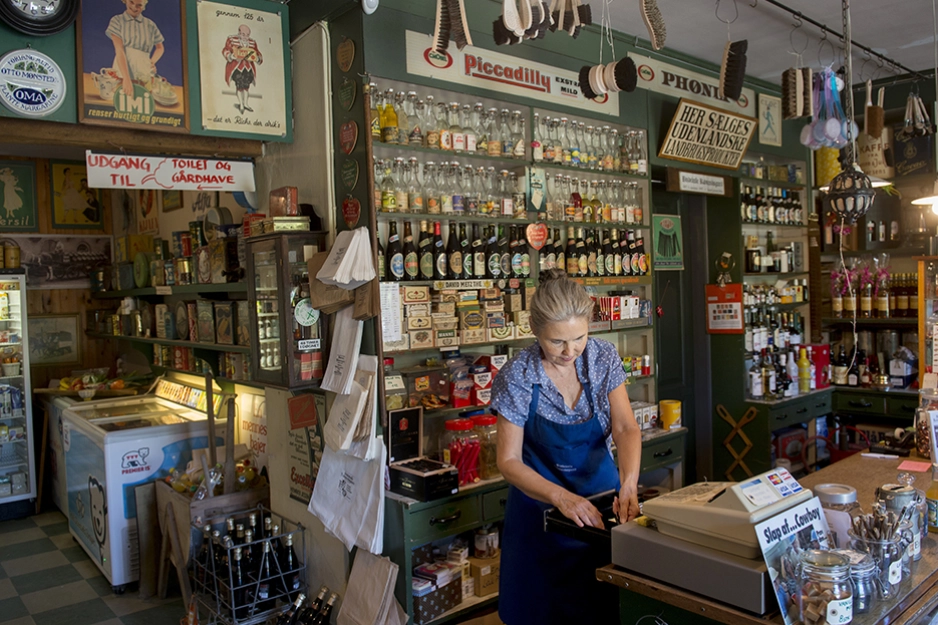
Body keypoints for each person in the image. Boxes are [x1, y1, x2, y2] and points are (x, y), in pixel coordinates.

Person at [490, 269, 642, 625]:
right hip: (539, 520)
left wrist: (630, 482)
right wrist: (560, 497)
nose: (569, 351)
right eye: (556, 341)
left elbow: (625, 427)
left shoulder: (602, 357)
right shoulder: (517, 375)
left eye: (579, 338)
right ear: (535, 330)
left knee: (603, 609)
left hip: (603, 506)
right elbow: (508, 461)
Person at [106, 0, 165, 99]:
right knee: (121, 98)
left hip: (143, 70)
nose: (134, 7)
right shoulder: (117, 21)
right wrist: (126, 78)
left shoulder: (150, 25)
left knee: (143, 99)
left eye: (139, 5)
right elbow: (119, 50)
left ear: (144, 6)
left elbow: (160, 48)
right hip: (123, 67)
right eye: (131, 2)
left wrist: (152, 62)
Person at [223, 24, 263, 114]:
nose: (246, 37)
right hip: (237, 68)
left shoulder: (252, 42)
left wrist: (257, 58)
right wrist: (231, 56)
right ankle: (241, 104)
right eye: (243, 34)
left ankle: (246, 104)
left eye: (248, 35)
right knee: (239, 86)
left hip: (248, 68)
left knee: (246, 87)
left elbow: (258, 54)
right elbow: (225, 50)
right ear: (239, 32)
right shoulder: (232, 40)